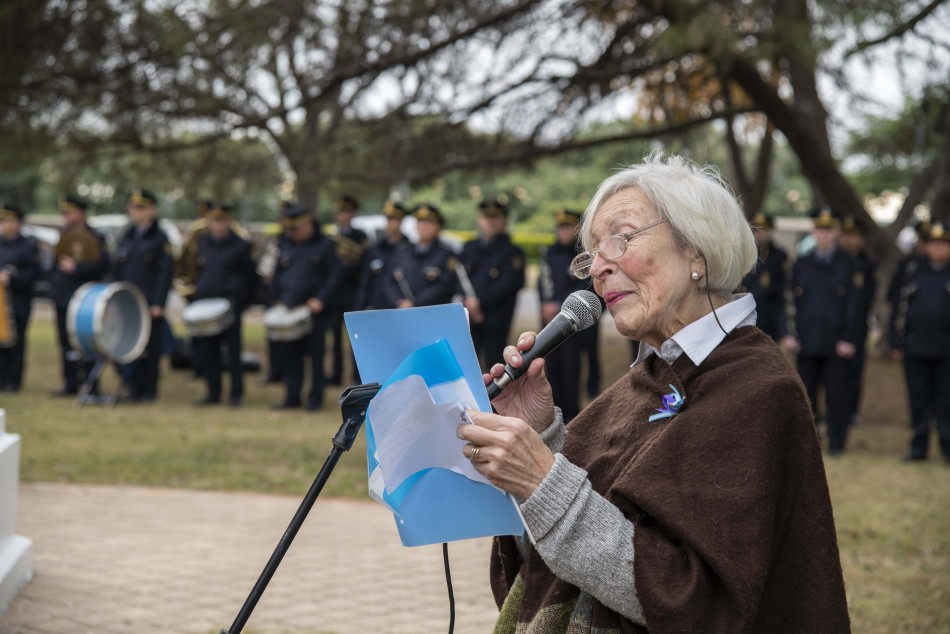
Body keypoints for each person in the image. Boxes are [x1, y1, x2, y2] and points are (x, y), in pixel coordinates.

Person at [457, 154, 849, 632]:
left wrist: (543, 481)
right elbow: (595, 519)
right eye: (593, 253)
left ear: (696, 251)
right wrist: (538, 434)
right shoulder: (648, 376)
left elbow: (691, 599)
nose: (598, 268)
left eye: (621, 238)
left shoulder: (759, 390)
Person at [783, 206, 860, 455]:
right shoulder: (802, 265)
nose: (823, 234)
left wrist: (848, 339)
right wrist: (790, 333)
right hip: (807, 342)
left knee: (837, 396)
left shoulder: (848, 265)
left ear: (836, 232)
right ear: (813, 231)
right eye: (819, 229)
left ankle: (837, 443)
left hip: (837, 344)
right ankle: (810, 443)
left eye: (828, 229)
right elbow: (790, 302)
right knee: (806, 398)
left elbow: (855, 307)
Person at [887, 220, 950, 463]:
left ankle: (947, 447)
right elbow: (898, 308)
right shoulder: (911, 270)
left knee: (946, 400)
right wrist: (896, 340)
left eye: (943, 243)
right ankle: (918, 446)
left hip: (946, 349)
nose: (938, 248)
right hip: (916, 346)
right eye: (933, 243)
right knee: (918, 399)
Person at [268, 204, 342, 411]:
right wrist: (276, 299)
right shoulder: (286, 245)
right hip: (290, 309)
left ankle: (315, 398)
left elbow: (335, 277)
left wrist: (320, 299)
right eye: (290, 229)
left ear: (308, 223)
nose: (292, 233)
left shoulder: (325, 246)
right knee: (291, 356)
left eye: (296, 228)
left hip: (315, 311)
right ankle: (292, 396)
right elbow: (277, 275)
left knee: (316, 356)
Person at [191, 204, 255, 406]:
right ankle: (213, 392)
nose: (217, 225)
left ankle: (236, 394)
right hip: (207, 304)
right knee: (209, 351)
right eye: (214, 221)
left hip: (230, 304)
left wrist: (243, 301)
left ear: (228, 222)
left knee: (233, 351)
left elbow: (250, 277)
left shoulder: (241, 246)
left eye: (222, 221)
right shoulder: (203, 243)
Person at [112, 189, 173, 401]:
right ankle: (131, 386)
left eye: (140, 208)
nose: (135, 212)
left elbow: (164, 274)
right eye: (132, 207)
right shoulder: (126, 236)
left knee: (150, 348)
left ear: (151, 210)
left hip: (148, 302)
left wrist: (158, 303)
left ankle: (148, 390)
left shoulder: (160, 238)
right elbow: (117, 270)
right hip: (127, 301)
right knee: (126, 344)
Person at [50, 195, 110, 397]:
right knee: (65, 343)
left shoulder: (96, 237)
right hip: (62, 297)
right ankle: (70, 383)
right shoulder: (62, 236)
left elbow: (103, 266)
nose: (65, 216)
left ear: (81, 213)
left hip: (86, 299)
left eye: (69, 212)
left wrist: (77, 268)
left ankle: (91, 385)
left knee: (88, 341)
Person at [459, 197, 526, 368]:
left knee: (494, 368)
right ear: (480, 220)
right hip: (470, 319)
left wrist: (479, 304)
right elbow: (458, 278)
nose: (491, 222)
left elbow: (509, 285)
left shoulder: (513, 252)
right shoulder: (469, 247)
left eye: (495, 218)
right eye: (487, 218)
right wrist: (469, 304)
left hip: (496, 322)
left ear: (504, 220)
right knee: (467, 368)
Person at [537, 209, 588, 421]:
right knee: (552, 370)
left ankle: (572, 417)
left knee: (571, 371)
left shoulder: (582, 255)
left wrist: (558, 305)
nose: (563, 231)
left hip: (571, 324)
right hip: (549, 321)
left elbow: (584, 286)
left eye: (568, 227)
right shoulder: (550, 252)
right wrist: (545, 303)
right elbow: (543, 283)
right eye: (561, 227)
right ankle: (554, 416)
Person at [839, 215, 877, 425]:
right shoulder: (837, 262)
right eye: (846, 235)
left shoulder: (867, 264)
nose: (849, 240)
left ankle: (852, 410)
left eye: (854, 235)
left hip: (859, 324)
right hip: (836, 324)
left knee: (855, 369)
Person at [327, 194, 368, 385]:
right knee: (334, 337)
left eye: (346, 212)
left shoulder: (360, 237)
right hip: (336, 293)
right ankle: (336, 374)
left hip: (352, 292)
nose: (342, 215)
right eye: (340, 212)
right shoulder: (332, 236)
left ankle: (356, 376)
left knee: (355, 338)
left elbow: (363, 263)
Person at [0, 203, 41, 392]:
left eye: (10, 220)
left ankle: (13, 380)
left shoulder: (27, 246)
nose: (6, 224)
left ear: (18, 223)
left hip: (18, 302)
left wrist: (12, 278)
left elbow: (34, 274)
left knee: (16, 344)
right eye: (3, 220)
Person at [384, 204, 458, 308]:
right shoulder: (403, 252)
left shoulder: (446, 254)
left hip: (432, 313)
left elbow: (445, 286)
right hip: (402, 312)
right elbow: (389, 281)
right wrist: (398, 301)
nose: (424, 227)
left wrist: (415, 303)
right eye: (420, 222)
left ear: (438, 226)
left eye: (429, 222)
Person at [738, 211, 788, 341]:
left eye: (764, 229)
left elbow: (780, 294)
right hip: (744, 316)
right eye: (756, 230)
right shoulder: (743, 254)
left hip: (768, 319)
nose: (759, 234)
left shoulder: (778, 256)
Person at [356, 200, 410, 310]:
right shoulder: (375, 250)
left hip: (400, 308)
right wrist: (359, 308)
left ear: (401, 222)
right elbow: (366, 282)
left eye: (394, 220)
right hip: (378, 307)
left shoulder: (409, 249)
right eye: (388, 219)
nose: (390, 224)